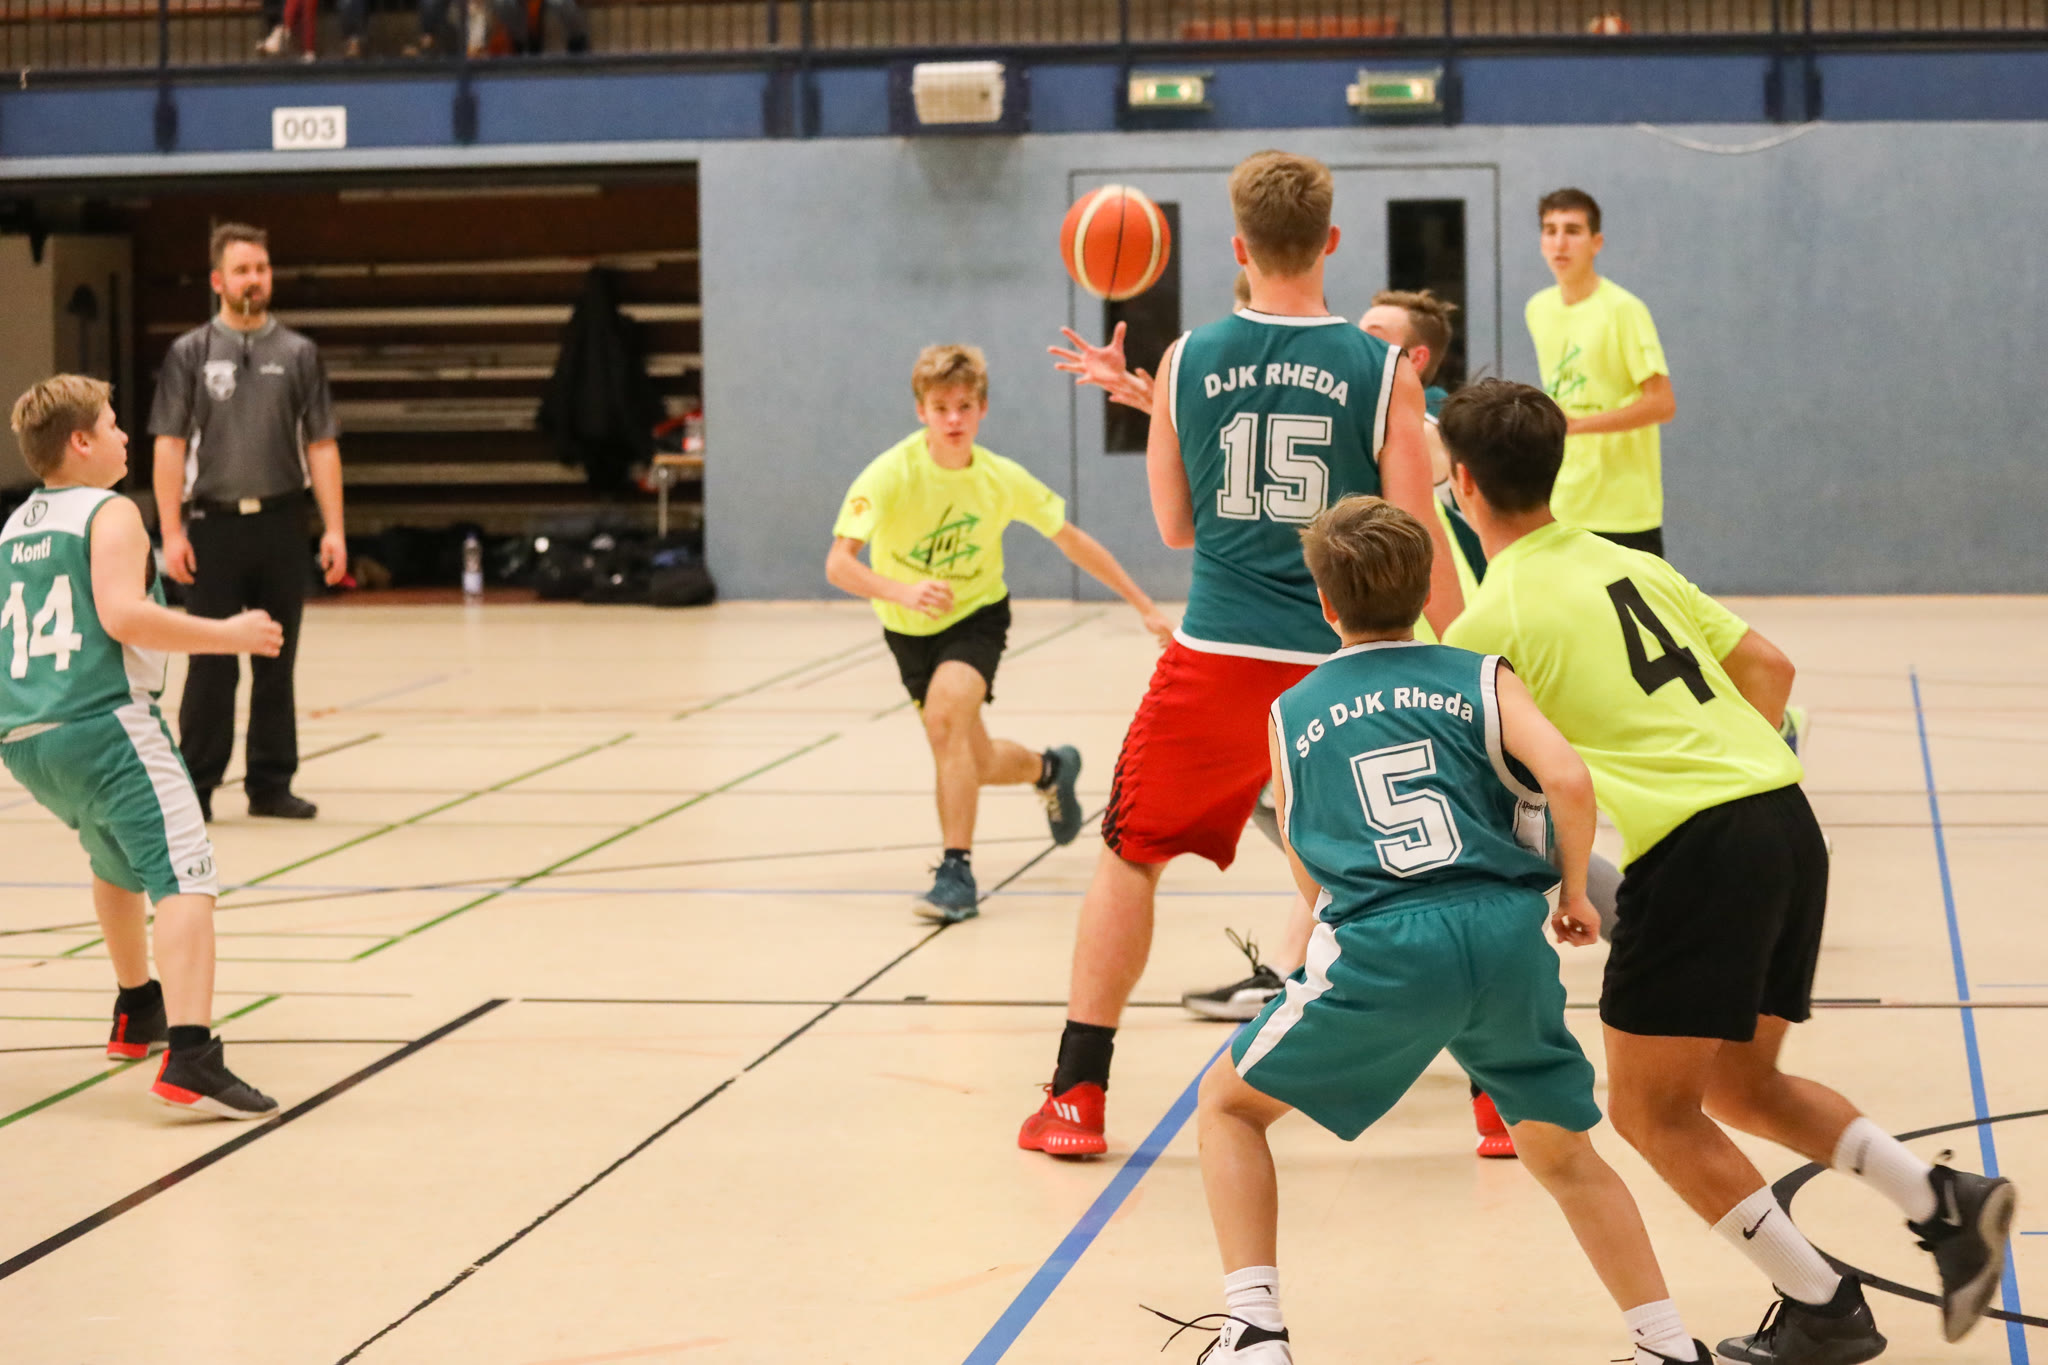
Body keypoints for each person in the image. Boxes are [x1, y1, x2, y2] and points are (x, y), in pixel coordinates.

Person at [1441, 379, 2017, 1361]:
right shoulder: (1627, 562)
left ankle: (1822, 1307)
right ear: (1556, 465)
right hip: (1783, 818)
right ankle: (1940, 1200)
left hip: (1700, 848)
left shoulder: (1488, 622)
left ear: (1461, 483)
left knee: (1647, 1111)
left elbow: (1520, 780)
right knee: (1744, 1086)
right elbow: (1770, 668)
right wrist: (1723, 769)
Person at [1176, 495, 1705, 1365]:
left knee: (1228, 1107)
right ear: (1426, 590)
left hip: (1383, 945)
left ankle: (1254, 1332)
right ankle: (1668, 1344)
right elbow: (1569, 779)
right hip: (1505, 936)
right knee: (1563, 1152)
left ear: (1325, 603)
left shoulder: (1293, 709)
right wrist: (1574, 891)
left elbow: (1308, 869)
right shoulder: (1484, 674)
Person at [1018, 150, 1462, 1158]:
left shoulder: (1186, 360)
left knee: (1130, 857)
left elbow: (1175, 527)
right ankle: (1494, 1103)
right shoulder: (1382, 370)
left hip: (1215, 655)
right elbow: (1412, 540)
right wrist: (1468, 657)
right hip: (1343, 658)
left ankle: (1076, 1098)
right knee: (1421, 868)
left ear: (1236, 246)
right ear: (1330, 241)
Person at [3, 377, 281, 1119]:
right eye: (112, 424)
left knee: (113, 859)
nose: (126, 436)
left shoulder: (16, 525)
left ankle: (137, 1006)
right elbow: (123, 615)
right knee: (187, 875)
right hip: (104, 723)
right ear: (80, 442)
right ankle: (192, 1056)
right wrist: (226, 634)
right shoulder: (111, 511)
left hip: (27, 735)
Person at [826, 344, 1172, 922]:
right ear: (921, 411)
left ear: (982, 409)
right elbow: (839, 565)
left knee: (945, 723)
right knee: (973, 757)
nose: (953, 419)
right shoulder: (890, 474)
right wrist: (902, 592)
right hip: (907, 627)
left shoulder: (999, 479)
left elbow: (1071, 540)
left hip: (976, 617)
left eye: (964, 406)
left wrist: (1143, 605)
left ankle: (956, 872)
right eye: (941, 408)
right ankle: (1049, 769)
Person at [151, 222, 347, 824]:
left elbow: (321, 446)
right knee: (210, 664)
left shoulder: (298, 353)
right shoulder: (189, 353)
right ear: (218, 280)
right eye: (242, 270)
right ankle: (197, 787)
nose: (254, 279)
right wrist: (171, 532)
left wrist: (334, 529)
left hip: (282, 523)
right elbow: (168, 444)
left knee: (275, 660)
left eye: (261, 268)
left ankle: (270, 784)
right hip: (214, 527)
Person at [1526, 188, 1675, 558]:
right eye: (1550, 230)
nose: (1560, 242)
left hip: (1624, 510)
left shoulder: (1624, 310)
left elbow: (1661, 404)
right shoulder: (1538, 308)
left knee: (1631, 599)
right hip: (1562, 503)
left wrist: (1578, 425)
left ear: (1596, 242)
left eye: (1573, 230)